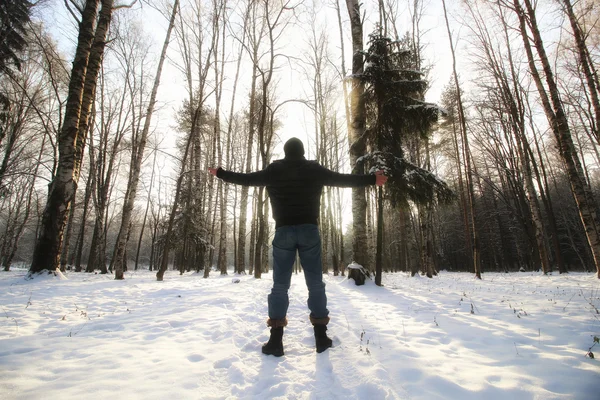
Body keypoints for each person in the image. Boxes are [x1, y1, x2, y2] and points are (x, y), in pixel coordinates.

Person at [209, 137, 387, 356]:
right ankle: (321, 337)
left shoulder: (274, 171)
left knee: (279, 286)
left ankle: (276, 341)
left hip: (283, 232)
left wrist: (220, 173)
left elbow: (246, 179)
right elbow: (342, 179)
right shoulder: (313, 169)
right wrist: (372, 179)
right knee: (315, 284)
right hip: (309, 231)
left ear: (285, 153)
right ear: (302, 152)